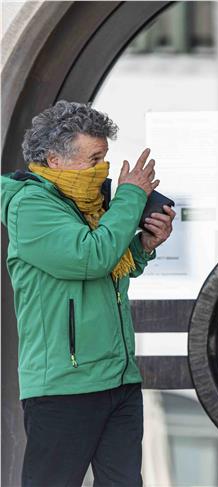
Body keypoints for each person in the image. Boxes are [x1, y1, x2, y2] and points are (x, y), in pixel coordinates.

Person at [0, 100, 176, 486]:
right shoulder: (30, 206)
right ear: (54, 159)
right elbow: (88, 258)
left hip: (119, 381)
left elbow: (106, 274)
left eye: (105, 157)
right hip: (65, 387)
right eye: (94, 158)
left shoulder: (90, 207)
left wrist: (143, 244)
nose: (104, 170)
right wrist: (131, 197)